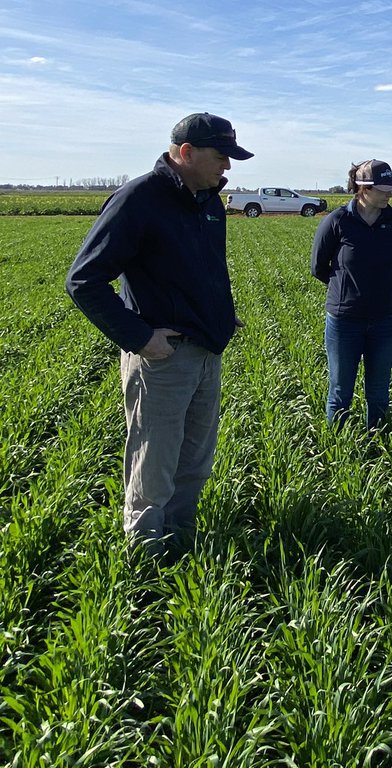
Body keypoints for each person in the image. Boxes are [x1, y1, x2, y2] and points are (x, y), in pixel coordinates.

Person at [65, 112, 253, 551]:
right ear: (186, 152)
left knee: (194, 462)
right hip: (162, 358)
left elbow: (202, 272)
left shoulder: (207, 202)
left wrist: (220, 314)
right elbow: (83, 281)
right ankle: (145, 561)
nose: (228, 166)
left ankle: (180, 543)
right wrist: (139, 338)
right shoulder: (139, 199)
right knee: (154, 466)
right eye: (221, 155)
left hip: (206, 350)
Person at [310, 158, 392, 435]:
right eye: (385, 188)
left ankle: (377, 445)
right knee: (340, 390)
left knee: (378, 390)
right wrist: (346, 290)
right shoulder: (338, 220)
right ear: (363, 189)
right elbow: (318, 267)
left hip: (385, 318)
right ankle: (339, 448)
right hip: (344, 321)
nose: (390, 193)